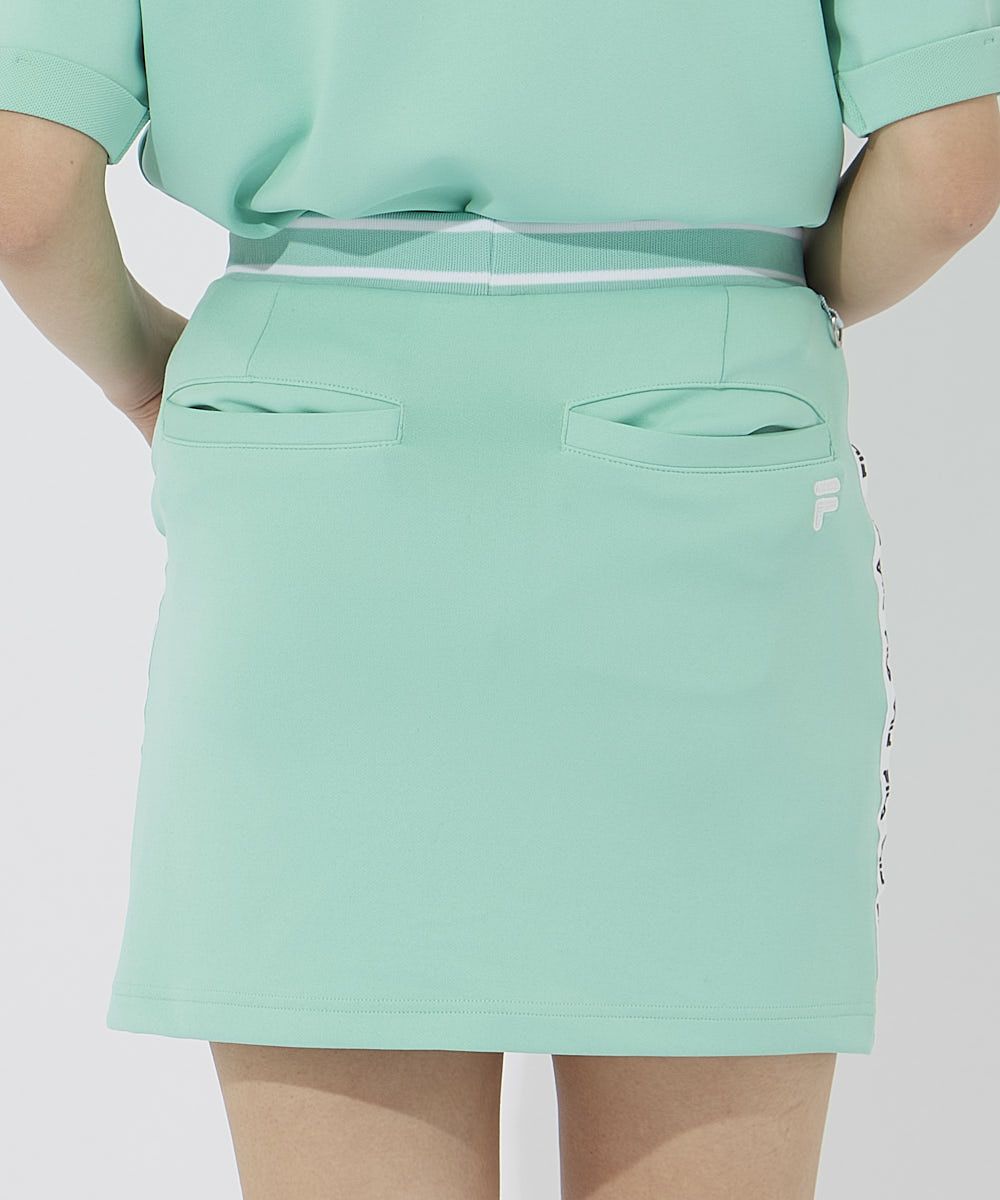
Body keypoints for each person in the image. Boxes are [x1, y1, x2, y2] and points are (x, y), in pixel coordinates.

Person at [2, 4, 999, 1197]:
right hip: (708, 428)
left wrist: (140, 379)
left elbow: (27, 196)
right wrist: (776, 296)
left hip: (308, 463)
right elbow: (949, 169)